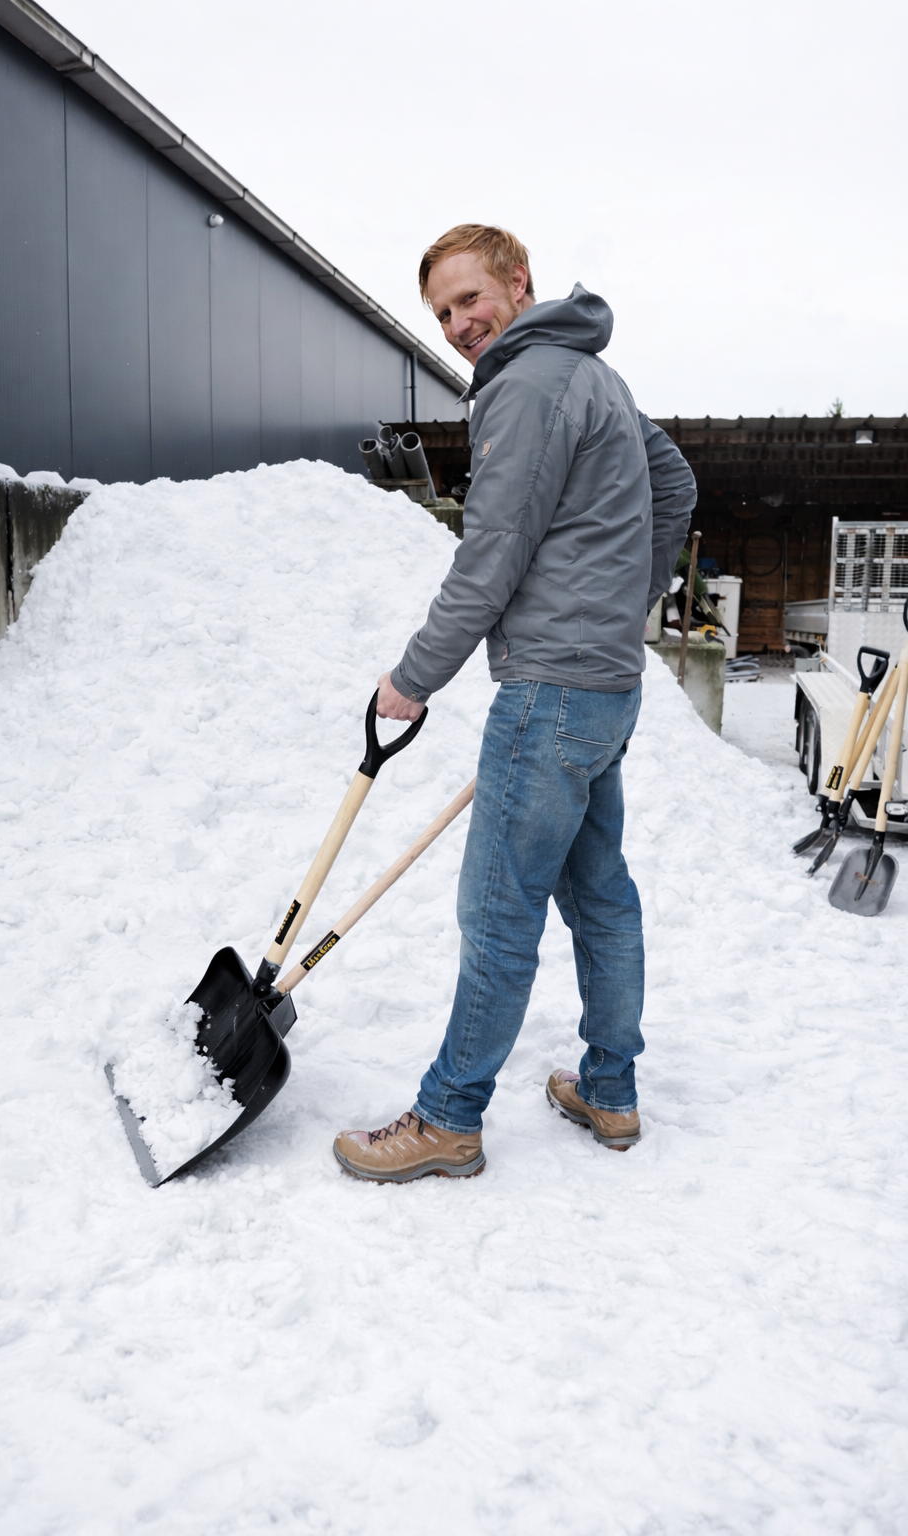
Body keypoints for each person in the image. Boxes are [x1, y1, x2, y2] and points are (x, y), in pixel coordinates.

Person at [333, 225, 696, 1183]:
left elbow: (487, 558)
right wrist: (624, 604)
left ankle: (449, 1117)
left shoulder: (525, 387)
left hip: (549, 691)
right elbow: (675, 482)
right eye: (443, 312)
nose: (459, 324)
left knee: (499, 910)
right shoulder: (590, 374)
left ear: (518, 282)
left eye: (470, 299)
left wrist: (412, 678)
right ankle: (610, 1090)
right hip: (605, 684)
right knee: (599, 894)